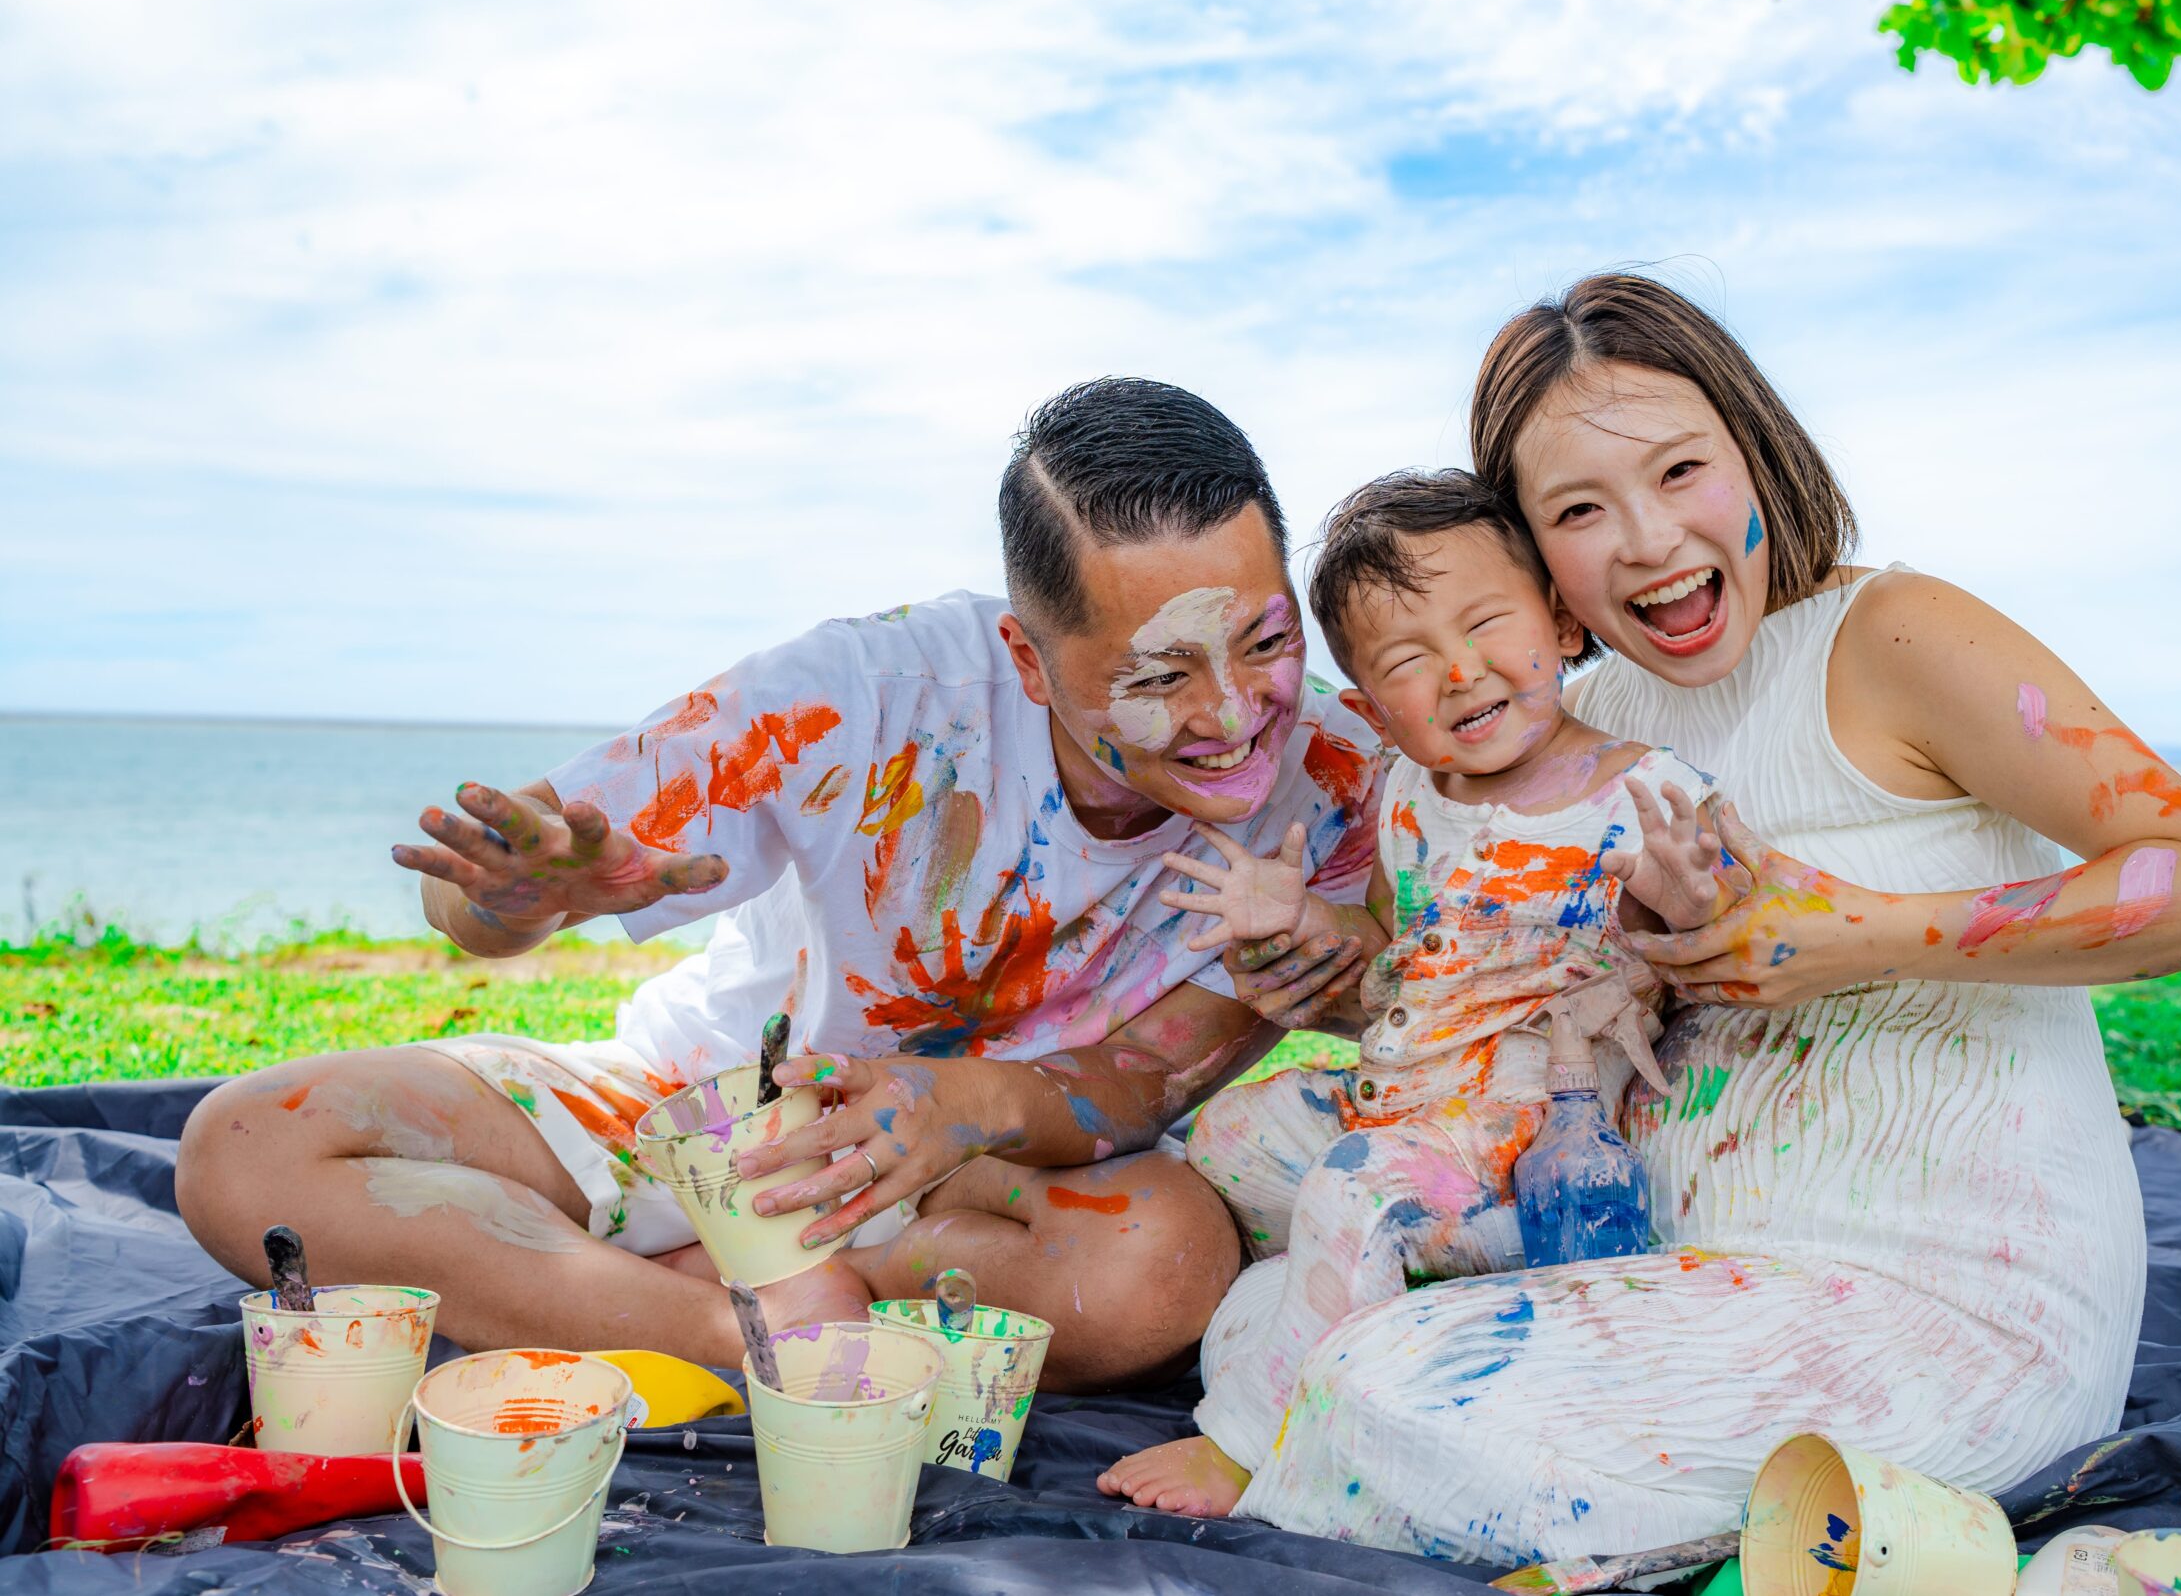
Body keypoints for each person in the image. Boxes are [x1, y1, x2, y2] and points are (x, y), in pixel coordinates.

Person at [1183, 274, 2181, 1563]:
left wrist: (1856, 933)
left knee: (1375, 1388)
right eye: (1581, 509)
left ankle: (1342, 1401)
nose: (1647, 540)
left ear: (1754, 453)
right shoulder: (1601, 730)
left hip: (1922, 1317)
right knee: (1255, 1156)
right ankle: (1363, 1360)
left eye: (1680, 471)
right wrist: (1341, 976)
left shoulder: (1891, 636)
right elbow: (1487, 986)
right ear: (1534, 557)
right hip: (1653, 1246)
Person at [174, 379, 1384, 1390]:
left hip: (974, 1191)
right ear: (1026, 653)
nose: (1232, 716)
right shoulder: (859, 693)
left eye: (1268, 641)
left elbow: (1136, 1079)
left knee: (1163, 1264)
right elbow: (473, 903)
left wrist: (963, 1104)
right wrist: (525, 899)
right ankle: (741, 1337)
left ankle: (662, 1311)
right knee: (243, 1148)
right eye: (1159, 672)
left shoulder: (1335, 788)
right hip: (694, 1116)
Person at [1098, 469, 1727, 1517]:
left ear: (1565, 625)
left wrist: (1691, 900)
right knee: (1230, 1137)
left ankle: (1250, 1442)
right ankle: (1354, 1297)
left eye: (1486, 625)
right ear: (1371, 710)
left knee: (1350, 1191)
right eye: (1406, 661)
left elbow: (1706, 943)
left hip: (1526, 1154)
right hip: (1397, 1105)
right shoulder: (1408, 797)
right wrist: (1297, 920)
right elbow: (1391, 948)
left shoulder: (1643, 793)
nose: (1458, 671)